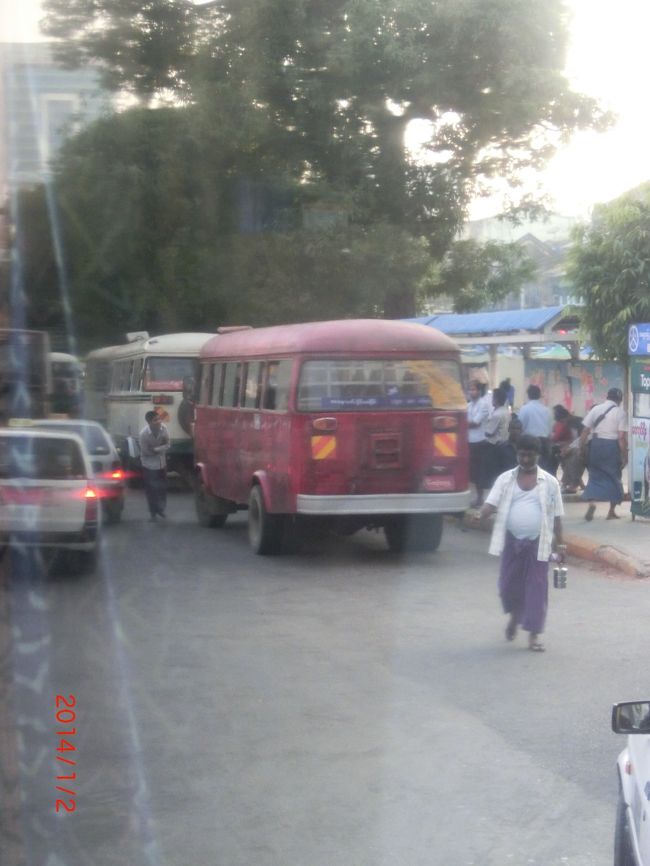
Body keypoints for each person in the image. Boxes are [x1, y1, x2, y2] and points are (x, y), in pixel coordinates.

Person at [479, 434, 565, 653]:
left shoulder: (550, 482)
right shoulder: (506, 479)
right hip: (511, 541)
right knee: (507, 587)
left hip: (539, 544)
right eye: (521, 454)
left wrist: (560, 544)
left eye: (529, 455)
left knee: (537, 589)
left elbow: (557, 516)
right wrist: (484, 512)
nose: (525, 459)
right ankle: (515, 616)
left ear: (538, 455)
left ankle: (534, 635)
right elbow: (491, 502)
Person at [579, 386, 628, 521]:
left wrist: (581, 448)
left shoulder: (596, 409)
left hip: (596, 445)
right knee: (614, 477)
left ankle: (592, 503)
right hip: (611, 446)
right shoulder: (620, 413)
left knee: (595, 476)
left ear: (607, 397)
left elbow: (585, 431)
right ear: (619, 399)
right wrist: (625, 455)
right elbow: (621, 438)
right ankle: (611, 512)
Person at [139, 410, 170, 521]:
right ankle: (153, 512)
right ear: (149, 422)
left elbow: (167, 444)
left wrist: (156, 449)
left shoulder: (164, 429)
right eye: (155, 420)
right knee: (151, 489)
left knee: (162, 487)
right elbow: (145, 451)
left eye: (159, 419)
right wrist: (158, 449)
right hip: (148, 464)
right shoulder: (144, 434)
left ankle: (160, 509)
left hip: (161, 462)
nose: (158, 422)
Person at [467, 379, 491, 507]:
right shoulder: (469, 405)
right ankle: (475, 498)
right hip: (469, 442)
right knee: (472, 472)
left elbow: (476, 423)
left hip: (479, 442)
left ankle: (480, 498)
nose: (472, 392)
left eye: (474, 389)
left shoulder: (483, 405)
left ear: (479, 391)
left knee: (479, 472)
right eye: (470, 389)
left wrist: (461, 423)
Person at [517, 384, 552, 471]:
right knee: (543, 470)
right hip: (544, 442)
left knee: (528, 469)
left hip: (529, 443)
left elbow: (520, 427)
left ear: (528, 395)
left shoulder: (524, 409)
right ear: (539, 395)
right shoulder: (547, 410)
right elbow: (550, 428)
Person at [483, 387, 510, 487]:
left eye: (493, 398)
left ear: (496, 399)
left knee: (492, 473)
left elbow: (489, 432)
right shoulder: (506, 411)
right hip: (505, 444)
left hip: (494, 447)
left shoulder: (497, 414)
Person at [550, 404, 574, 476]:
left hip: (562, 448)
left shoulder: (561, 425)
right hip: (563, 446)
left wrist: (550, 437)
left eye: (554, 413)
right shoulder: (561, 424)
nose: (553, 414)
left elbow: (556, 437)